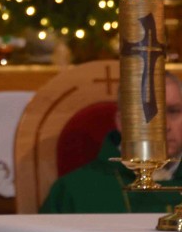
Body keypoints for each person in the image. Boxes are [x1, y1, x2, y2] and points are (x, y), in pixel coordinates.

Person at [40, 72, 182, 213]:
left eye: (174, 111)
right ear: (122, 123)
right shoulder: (74, 191)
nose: (164, 126)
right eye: (148, 113)